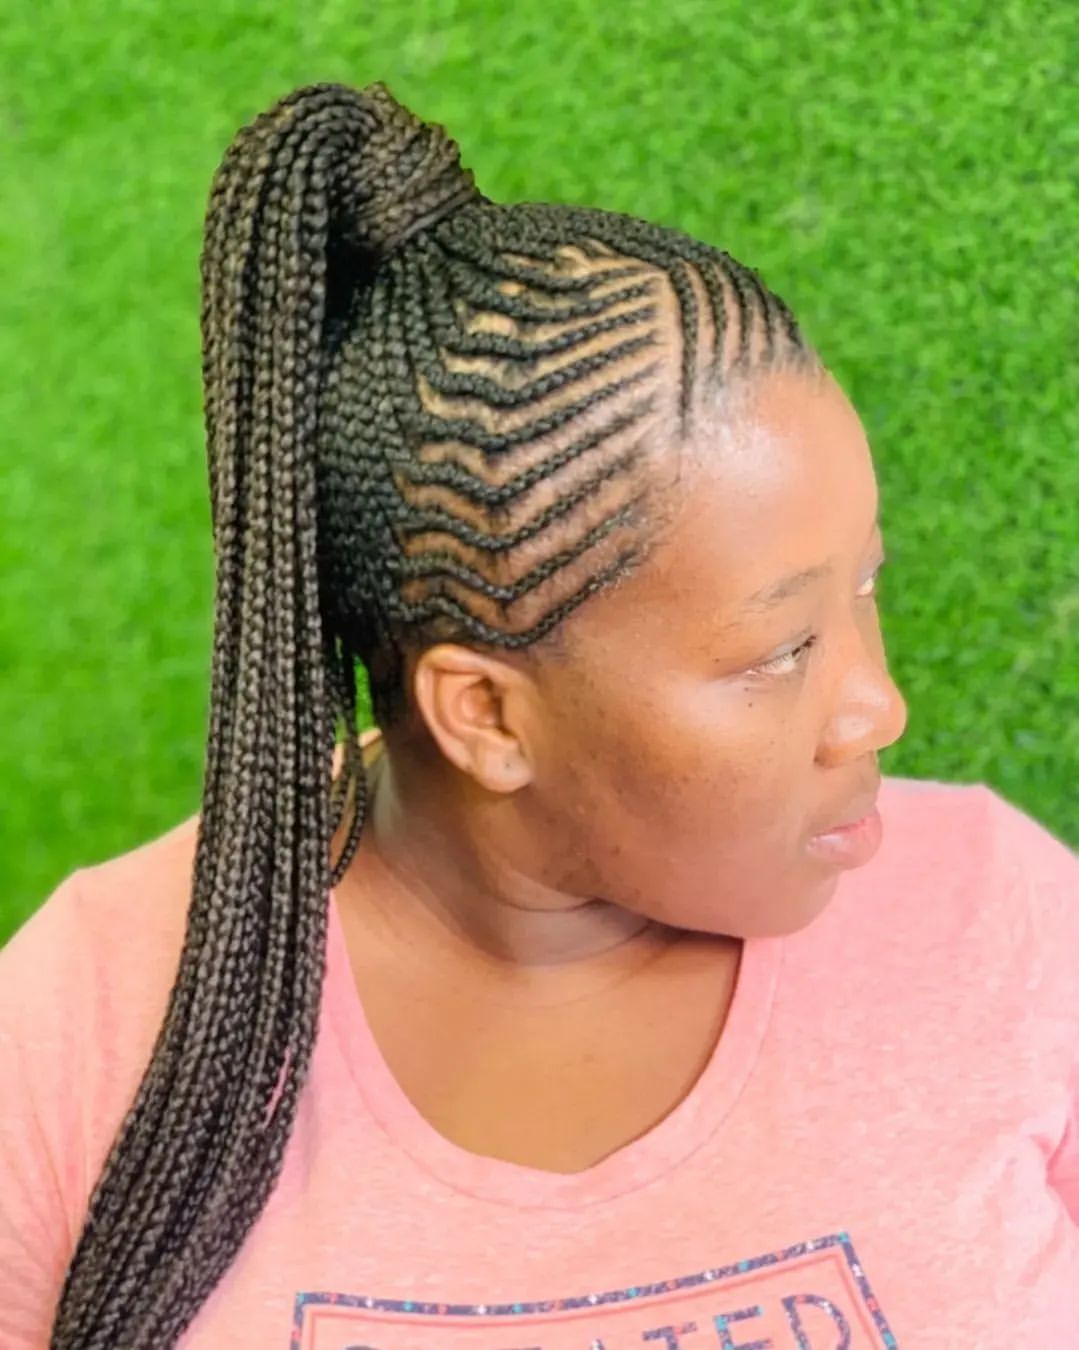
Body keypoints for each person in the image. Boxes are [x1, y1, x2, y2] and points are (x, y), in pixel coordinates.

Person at [1, 79, 1075, 1350]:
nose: (876, 707)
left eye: (863, 588)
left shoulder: (1003, 915)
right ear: (486, 717)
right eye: (781, 648)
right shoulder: (78, 1030)